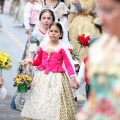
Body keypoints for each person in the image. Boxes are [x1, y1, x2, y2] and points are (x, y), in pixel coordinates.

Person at [21, 22, 79, 120]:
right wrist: (30, 61)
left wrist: (73, 79)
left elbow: (68, 65)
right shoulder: (43, 46)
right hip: (42, 78)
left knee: (54, 100)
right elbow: (38, 61)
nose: (53, 33)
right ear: (48, 33)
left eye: (56, 31)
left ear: (60, 34)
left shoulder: (61, 48)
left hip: (57, 78)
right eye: (51, 31)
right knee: (41, 99)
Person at [77, 0, 120, 119]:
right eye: (100, 10)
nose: (101, 18)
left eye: (108, 10)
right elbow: (96, 100)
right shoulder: (101, 47)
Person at [25, 8, 56, 76]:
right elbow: (31, 53)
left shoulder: (56, 34)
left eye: (49, 18)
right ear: (40, 20)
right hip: (40, 63)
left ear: (53, 20)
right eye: (44, 18)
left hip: (54, 64)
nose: (46, 21)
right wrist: (28, 67)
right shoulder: (36, 35)